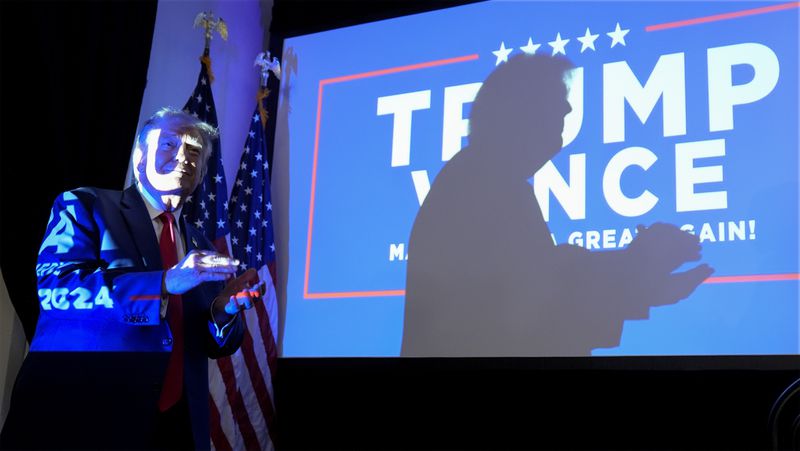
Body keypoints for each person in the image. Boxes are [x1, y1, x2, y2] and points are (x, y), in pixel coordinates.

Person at [401, 54, 714, 357]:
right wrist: (640, 266)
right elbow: (533, 299)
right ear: (518, 113)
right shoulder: (481, 184)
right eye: (554, 99)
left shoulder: (480, 179)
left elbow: (538, 280)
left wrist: (641, 274)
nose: (566, 108)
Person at [0, 108, 261, 449]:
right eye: (170, 144)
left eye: (195, 152)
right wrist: (163, 283)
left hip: (173, 427)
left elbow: (210, 344)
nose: (184, 157)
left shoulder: (200, 244)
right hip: (84, 419)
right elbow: (57, 291)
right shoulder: (85, 206)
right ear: (140, 157)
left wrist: (224, 311)